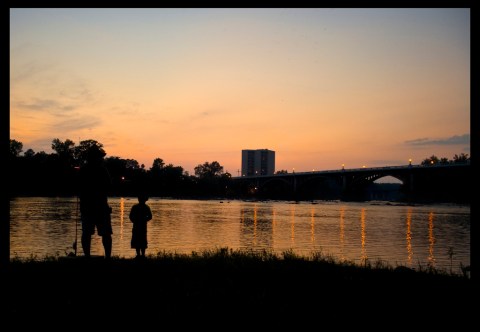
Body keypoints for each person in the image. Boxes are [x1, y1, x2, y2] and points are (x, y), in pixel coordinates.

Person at [78, 145, 113, 258]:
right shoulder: (101, 170)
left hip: (94, 206)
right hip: (96, 206)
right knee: (100, 233)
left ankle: (92, 256)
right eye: (99, 157)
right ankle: (104, 257)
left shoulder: (85, 170)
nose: (100, 159)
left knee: (93, 233)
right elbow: (109, 185)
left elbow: (78, 188)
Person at [129, 194, 152, 258]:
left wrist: (135, 221)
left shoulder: (135, 207)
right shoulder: (146, 207)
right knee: (141, 240)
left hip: (139, 226)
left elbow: (130, 216)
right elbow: (150, 217)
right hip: (141, 226)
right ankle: (141, 255)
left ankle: (140, 255)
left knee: (139, 239)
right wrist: (144, 220)